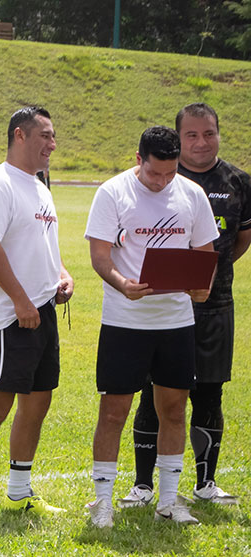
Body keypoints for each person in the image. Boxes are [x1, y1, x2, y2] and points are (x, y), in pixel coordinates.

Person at [84, 125, 219, 528]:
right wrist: (122, 284)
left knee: (174, 410)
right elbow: (99, 255)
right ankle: (103, 503)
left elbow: (205, 253)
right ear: (138, 159)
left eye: (169, 173)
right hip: (125, 322)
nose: (161, 182)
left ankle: (169, 501)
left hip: (175, 322)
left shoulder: (191, 193)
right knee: (114, 411)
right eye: (154, 173)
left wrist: (201, 289)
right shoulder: (113, 192)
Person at [121, 103, 251, 508]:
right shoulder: (155, 181)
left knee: (209, 394)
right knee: (152, 395)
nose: (201, 142)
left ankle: (205, 482)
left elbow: (240, 241)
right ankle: (144, 485)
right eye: (191, 135)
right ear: (178, 140)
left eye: (208, 133)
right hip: (158, 308)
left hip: (213, 305)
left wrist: (206, 273)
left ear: (218, 133)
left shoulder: (238, 182)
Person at [0, 107, 74, 519]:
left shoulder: (41, 187)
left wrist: (63, 277)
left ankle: (19, 490)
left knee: (38, 402)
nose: (52, 144)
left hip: (42, 313)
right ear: (19, 136)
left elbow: (44, 247)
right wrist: (20, 300)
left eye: (53, 135)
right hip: (11, 317)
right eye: (45, 135)